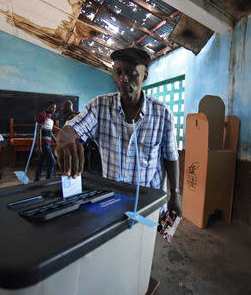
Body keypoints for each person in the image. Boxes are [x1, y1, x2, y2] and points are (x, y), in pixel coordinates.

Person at [55, 48, 182, 216]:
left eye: (132, 73)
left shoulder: (162, 113)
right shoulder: (99, 107)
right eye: (118, 72)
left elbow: (170, 157)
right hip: (113, 199)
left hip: (148, 201)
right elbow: (71, 129)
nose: (123, 79)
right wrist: (64, 141)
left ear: (144, 76)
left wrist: (175, 194)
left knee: (145, 241)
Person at [35, 102, 57, 181]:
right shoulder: (42, 116)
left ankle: (37, 180)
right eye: (51, 108)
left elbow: (50, 131)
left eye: (54, 108)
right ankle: (49, 180)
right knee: (52, 161)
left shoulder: (51, 117)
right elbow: (38, 131)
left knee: (41, 162)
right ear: (47, 107)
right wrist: (38, 146)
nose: (53, 110)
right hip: (43, 143)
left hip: (48, 142)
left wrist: (54, 139)